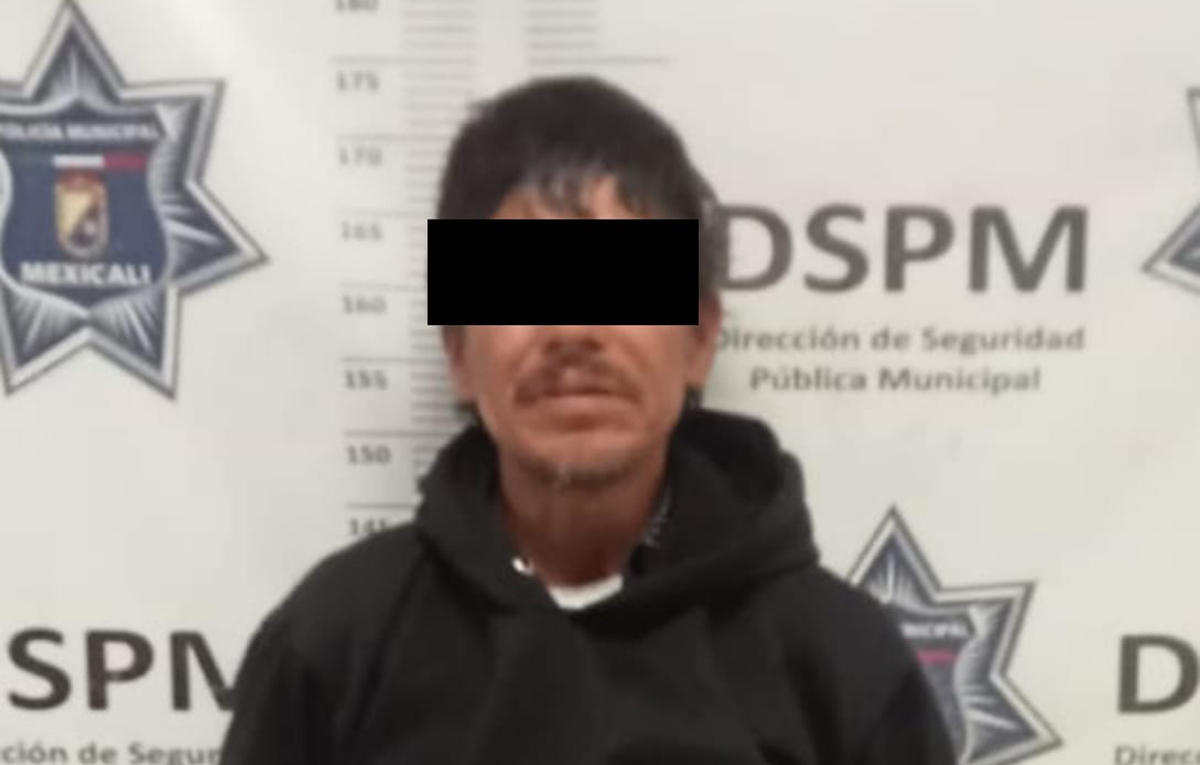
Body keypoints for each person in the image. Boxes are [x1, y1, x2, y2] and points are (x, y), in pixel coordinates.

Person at [219, 75, 956, 764]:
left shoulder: (841, 661)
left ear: (699, 339)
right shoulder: (334, 643)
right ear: (459, 353)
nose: (574, 330)